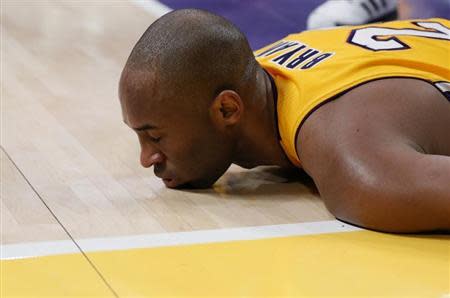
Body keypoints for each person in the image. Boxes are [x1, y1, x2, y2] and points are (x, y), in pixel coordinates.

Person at [119, 9, 450, 233]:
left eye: (156, 137)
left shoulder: (359, 165)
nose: (146, 159)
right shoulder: (257, 69)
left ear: (227, 111)